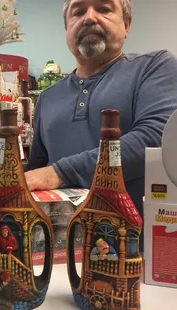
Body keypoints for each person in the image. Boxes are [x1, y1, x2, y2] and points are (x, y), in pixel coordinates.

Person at [24, 0, 177, 219]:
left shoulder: (154, 67)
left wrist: (60, 172)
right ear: (67, 28)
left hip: (134, 247)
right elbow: (36, 171)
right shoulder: (47, 98)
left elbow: (155, 139)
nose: (89, 18)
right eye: (78, 12)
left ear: (126, 25)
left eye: (104, 9)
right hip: (60, 246)